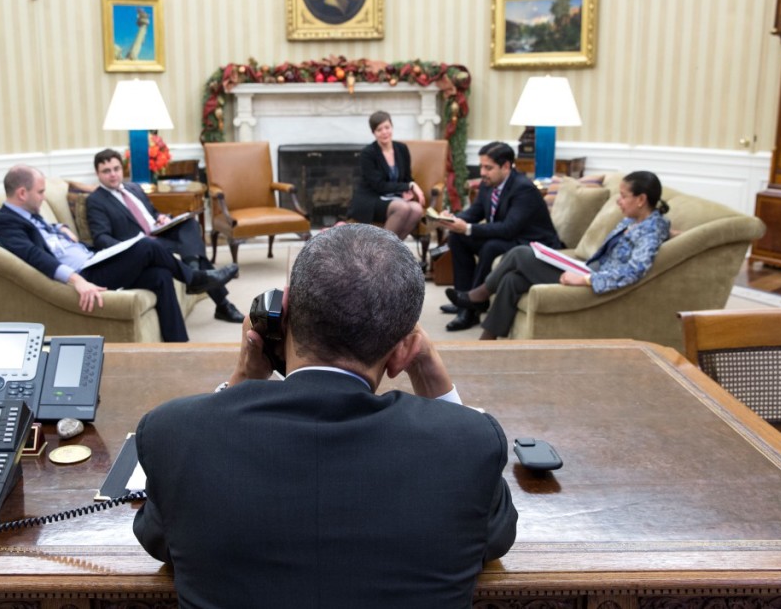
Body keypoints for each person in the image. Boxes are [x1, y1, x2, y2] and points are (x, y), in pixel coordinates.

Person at [133, 224, 518, 607]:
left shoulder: (173, 434)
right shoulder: (470, 444)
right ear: (403, 351)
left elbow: (159, 538)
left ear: (280, 319)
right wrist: (431, 372)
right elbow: (496, 535)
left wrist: (243, 379)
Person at [0, 165, 238, 343]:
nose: (43, 198)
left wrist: (59, 227)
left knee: (160, 274)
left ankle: (178, 346)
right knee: (148, 246)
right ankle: (194, 279)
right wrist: (77, 281)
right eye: (40, 192)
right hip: (84, 274)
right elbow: (34, 255)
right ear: (22, 193)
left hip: (92, 259)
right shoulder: (4, 221)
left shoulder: (25, 214)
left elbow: (43, 234)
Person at [446, 171, 671, 341]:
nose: (618, 201)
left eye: (623, 196)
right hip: (588, 268)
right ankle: (488, 341)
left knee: (520, 253)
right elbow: (665, 228)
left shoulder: (650, 230)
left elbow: (634, 271)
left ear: (641, 199)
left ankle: (478, 296)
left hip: (594, 281)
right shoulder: (635, 221)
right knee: (512, 279)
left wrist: (585, 279)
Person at [86, 149, 244, 323]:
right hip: (141, 247)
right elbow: (101, 237)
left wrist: (162, 218)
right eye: (106, 171)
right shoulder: (96, 200)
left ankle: (193, 270)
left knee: (190, 223)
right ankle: (222, 304)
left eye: (116, 169)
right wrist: (129, 249)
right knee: (195, 254)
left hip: (158, 234)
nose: (113, 175)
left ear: (122, 170)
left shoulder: (134, 188)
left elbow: (152, 213)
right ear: (97, 173)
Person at [436, 141, 561, 332]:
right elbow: (475, 212)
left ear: (506, 166)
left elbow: (509, 228)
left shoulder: (523, 189)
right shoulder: (489, 184)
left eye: (488, 167)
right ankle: (463, 299)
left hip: (530, 243)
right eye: (481, 166)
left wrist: (468, 227)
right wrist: (453, 220)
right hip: (509, 237)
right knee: (458, 238)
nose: (483, 172)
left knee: (490, 246)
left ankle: (472, 309)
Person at [347, 110, 425, 240]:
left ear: (392, 127)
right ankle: (381, 251)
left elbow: (407, 177)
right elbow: (379, 186)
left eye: (387, 127)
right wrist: (410, 186)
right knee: (402, 208)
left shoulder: (402, 149)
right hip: (371, 199)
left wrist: (408, 191)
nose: (384, 132)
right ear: (374, 133)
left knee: (417, 209)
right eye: (379, 129)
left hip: (394, 198)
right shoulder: (368, 153)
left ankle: (393, 251)